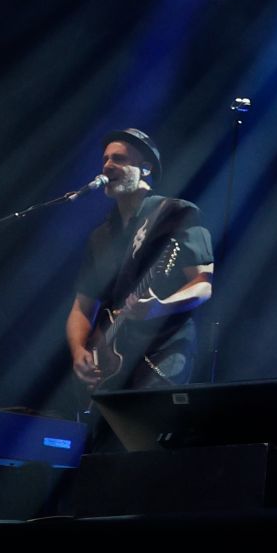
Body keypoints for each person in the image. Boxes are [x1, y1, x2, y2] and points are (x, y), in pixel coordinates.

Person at [66, 128, 215, 394]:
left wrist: (160, 308)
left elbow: (203, 284)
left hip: (162, 351)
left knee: (146, 426)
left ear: (145, 169)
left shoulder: (175, 212)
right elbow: (81, 307)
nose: (107, 165)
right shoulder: (100, 236)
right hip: (113, 360)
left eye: (119, 159)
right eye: (105, 159)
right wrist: (79, 351)